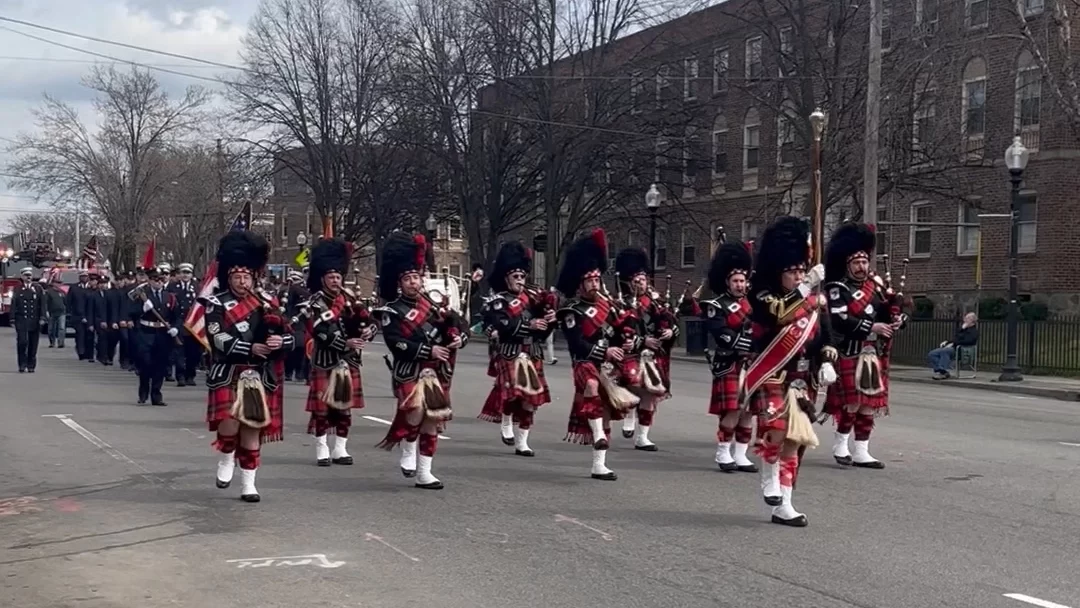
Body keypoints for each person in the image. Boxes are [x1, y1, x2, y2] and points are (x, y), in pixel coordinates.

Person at [743, 216, 836, 527]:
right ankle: (768, 478)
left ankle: (785, 502)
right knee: (776, 430)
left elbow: (825, 334)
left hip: (801, 378)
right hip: (773, 373)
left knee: (795, 441)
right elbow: (780, 316)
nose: (798, 276)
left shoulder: (814, 299)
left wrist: (826, 360)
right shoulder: (761, 294)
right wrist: (806, 287)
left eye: (801, 270)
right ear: (779, 270)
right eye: (793, 271)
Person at [373, 232, 467, 490]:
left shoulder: (438, 306)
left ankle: (425, 472)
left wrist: (460, 339)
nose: (414, 283)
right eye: (408, 279)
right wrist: (429, 351)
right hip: (410, 370)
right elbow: (397, 344)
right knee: (414, 411)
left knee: (433, 419)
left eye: (417, 277)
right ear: (399, 283)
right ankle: (407, 448)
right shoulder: (391, 312)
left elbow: (460, 326)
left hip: (436, 372)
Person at [203, 231, 291, 503]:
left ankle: (249, 485)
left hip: (258, 374)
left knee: (252, 427)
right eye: (237, 277)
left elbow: (290, 334)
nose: (242, 282)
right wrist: (249, 347)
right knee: (229, 424)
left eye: (246, 277)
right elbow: (216, 336)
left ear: (254, 277)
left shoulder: (267, 303)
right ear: (228, 278)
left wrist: (280, 341)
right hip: (229, 370)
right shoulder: (216, 304)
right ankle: (227, 457)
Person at [555, 229, 636, 481]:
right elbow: (577, 343)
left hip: (607, 366)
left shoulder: (607, 306)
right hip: (584, 362)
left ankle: (599, 464)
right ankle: (598, 435)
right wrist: (605, 350)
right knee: (590, 385)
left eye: (597, 279)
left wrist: (628, 339)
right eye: (590, 280)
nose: (595, 284)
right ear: (580, 283)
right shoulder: (571, 310)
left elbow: (619, 331)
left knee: (607, 413)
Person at [822, 223, 900, 469]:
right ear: (847, 264)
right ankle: (841, 445)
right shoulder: (837, 288)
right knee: (852, 402)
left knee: (869, 403)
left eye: (865, 262)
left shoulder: (876, 286)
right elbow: (840, 318)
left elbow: (888, 311)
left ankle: (862, 451)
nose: (862, 266)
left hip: (873, 353)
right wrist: (871, 327)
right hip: (850, 349)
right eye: (856, 262)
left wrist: (898, 319)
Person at [478, 242, 554, 456]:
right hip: (510, 351)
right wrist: (529, 325)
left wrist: (549, 320)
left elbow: (543, 331)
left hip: (532, 353)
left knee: (531, 400)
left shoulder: (533, 299)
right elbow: (503, 325)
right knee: (513, 395)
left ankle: (522, 442)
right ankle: (506, 421)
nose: (520, 281)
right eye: (515, 277)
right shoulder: (498, 301)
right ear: (506, 278)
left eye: (522, 277)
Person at [304, 238, 373, 467]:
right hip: (325, 360)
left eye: (338, 277)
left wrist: (368, 331)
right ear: (322, 278)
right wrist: (346, 343)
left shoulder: (351, 300)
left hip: (348, 362)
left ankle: (340, 449)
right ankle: (322, 447)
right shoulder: (315, 302)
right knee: (322, 410)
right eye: (331, 277)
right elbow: (319, 331)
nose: (335, 280)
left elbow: (368, 321)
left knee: (344, 408)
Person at [700, 241, 757, 472]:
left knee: (748, 411)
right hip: (729, 363)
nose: (740, 285)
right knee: (732, 409)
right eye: (735, 281)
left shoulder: (754, 305)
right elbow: (720, 333)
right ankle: (723, 453)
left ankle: (741, 455)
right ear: (727, 282)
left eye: (742, 281)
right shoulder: (716, 305)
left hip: (752, 363)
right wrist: (744, 345)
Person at [613, 247, 675, 451]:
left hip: (654, 355)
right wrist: (641, 341)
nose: (640, 283)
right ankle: (629, 413)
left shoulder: (658, 302)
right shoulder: (622, 304)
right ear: (629, 282)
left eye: (643, 279)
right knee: (633, 387)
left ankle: (642, 437)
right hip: (633, 353)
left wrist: (670, 333)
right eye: (636, 280)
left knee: (651, 393)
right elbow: (619, 332)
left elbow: (671, 324)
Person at [131, 269, 180, 405]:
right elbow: (131, 312)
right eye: (155, 280)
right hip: (146, 333)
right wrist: (142, 309)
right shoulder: (142, 296)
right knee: (146, 364)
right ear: (150, 281)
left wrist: (176, 328)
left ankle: (156, 395)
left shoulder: (169, 297)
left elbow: (177, 316)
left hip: (163, 335)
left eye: (161, 280)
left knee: (160, 366)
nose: (158, 282)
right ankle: (143, 393)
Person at [168, 263, 201, 386]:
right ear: (179, 274)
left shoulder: (198, 287)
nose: (185, 275)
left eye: (188, 273)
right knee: (179, 351)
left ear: (192, 275)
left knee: (194, 352)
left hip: (194, 325)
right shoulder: (172, 287)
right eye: (183, 272)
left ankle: (190, 375)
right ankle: (180, 376)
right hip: (179, 323)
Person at [12, 266, 46, 373]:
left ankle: (31, 364)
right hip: (21, 319)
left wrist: (43, 317)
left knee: (33, 343)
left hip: (34, 319)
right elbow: (14, 304)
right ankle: (22, 363)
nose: (28, 278)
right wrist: (12, 318)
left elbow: (42, 304)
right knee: (22, 342)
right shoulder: (18, 289)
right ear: (22, 277)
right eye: (26, 276)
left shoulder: (37, 289)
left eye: (30, 276)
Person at [928, 312, 978, 379]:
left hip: (962, 350)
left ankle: (942, 371)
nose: (965, 320)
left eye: (968, 318)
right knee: (932, 354)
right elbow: (956, 338)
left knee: (945, 351)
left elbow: (968, 341)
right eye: (965, 318)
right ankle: (943, 372)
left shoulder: (973, 331)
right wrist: (948, 342)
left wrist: (954, 343)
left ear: (973, 321)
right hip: (954, 348)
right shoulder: (962, 329)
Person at [90, 276, 111, 364]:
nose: (103, 285)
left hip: (109, 321)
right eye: (101, 283)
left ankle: (107, 356)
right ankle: (102, 357)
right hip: (98, 320)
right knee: (101, 339)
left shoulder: (110, 294)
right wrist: (90, 324)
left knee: (109, 340)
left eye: (105, 283)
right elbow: (90, 310)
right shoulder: (94, 295)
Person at [46, 276, 67, 348]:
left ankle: (61, 343)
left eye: (60, 283)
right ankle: (52, 342)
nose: (58, 284)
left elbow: (65, 302)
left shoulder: (62, 292)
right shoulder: (49, 292)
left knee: (62, 328)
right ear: (53, 283)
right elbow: (46, 302)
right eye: (57, 283)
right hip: (52, 312)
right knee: (51, 329)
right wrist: (46, 311)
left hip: (62, 312)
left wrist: (65, 308)